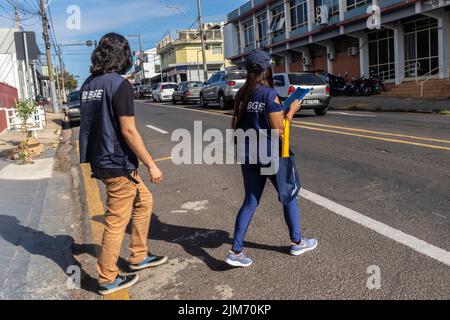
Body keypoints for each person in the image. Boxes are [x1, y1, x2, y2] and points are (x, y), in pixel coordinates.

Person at [79, 33, 168, 295]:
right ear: (124, 56)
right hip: (117, 163)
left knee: (144, 201)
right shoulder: (120, 85)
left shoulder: (88, 84)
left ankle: (138, 255)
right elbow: (129, 131)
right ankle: (107, 277)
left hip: (100, 159)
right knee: (116, 221)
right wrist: (151, 164)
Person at [226, 49, 318, 268]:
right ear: (267, 69)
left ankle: (235, 251)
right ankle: (297, 242)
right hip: (270, 155)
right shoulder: (269, 94)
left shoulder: (242, 94)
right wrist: (292, 110)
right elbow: (280, 129)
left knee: (250, 201)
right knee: (289, 196)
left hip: (249, 154)